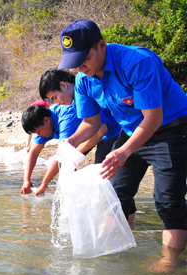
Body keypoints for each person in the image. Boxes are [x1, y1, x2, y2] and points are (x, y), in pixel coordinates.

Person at [58, 19, 187, 260]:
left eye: (84, 59)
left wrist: (124, 152)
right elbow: (91, 123)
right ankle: (118, 250)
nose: (80, 67)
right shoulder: (83, 80)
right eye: (75, 63)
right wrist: (72, 141)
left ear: (102, 46)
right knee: (114, 194)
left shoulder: (137, 62)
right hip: (131, 130)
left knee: (168, 200)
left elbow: (153, 117)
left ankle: (171, 266)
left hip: (171, 128)